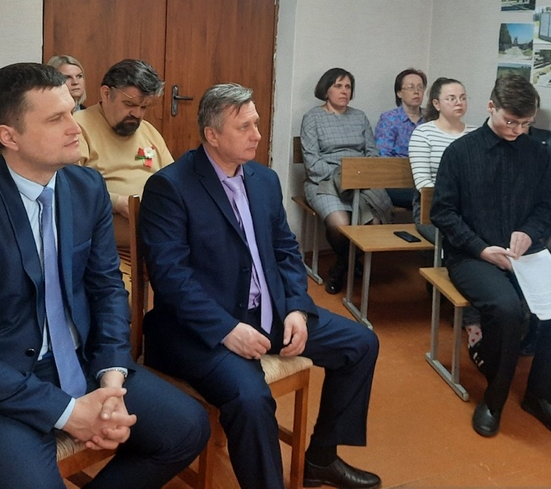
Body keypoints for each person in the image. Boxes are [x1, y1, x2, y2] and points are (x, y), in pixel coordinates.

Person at [0, 63, 209, 489]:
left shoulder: (86, 188)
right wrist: (70, 413)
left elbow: (107, 289)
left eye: (72, 111)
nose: (75, 127)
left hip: (78, 362)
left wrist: (112, 377)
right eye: (56, 119)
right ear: (9, 136)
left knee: (187, 428)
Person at [141, 84, 381, 489]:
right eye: (244, 127)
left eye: (256, 123)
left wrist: (297, 307)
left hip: (268, 313)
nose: (257, 134)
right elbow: (171, 277)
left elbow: (286, 251)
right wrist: (226, 329)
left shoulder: (263, 179)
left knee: (361, 344)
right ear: (212, 134)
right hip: (199, 329)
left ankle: (321, 458)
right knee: (251, 399)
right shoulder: (171, 186)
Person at [431, 74, 551, 441]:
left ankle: (542, 396)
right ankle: (495, 397)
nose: (517, 130)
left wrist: (529, 232)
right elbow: (443, 213)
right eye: (511, 121)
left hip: (524, 253)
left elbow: (547, 209)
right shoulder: (461, 152)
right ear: (491, 107)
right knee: (505, 308)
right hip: (472, 255)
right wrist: (480, 248)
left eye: (525, 123)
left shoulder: (537, 152)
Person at [408, 78, 483, 366]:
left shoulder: (476, 134)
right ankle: (474, 325)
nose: (459, 102)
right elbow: (424, 185)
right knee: (463, 245)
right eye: (451, 98)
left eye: (463, 97)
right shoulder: (424, 133)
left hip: (471, 213)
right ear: (437, 104)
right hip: (433, 212)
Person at [300, 68, 392, 295]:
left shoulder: (359, 117)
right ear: (326, 90)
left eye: (348, 87)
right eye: (338, 86)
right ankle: (349, 263)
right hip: (324, 182)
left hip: (360, 182)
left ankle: (341, 266)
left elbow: (372, 154)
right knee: (339, 223)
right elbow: (312, 161)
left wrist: (357, 176)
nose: (344, 91)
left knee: (374, 224)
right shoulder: (312, 118)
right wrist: (341, 177)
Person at [75, 59, 172, 248]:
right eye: (129, 104)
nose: (137, 114)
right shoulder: (77, 128)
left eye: (144, 107)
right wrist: (117, 202)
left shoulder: (148, 131)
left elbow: (174, 181)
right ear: (106, 93)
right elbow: (70, 189)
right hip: (107, 251)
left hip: (158, 244)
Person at [374, 69, 426, 208]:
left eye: (420, 87)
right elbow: (383, 157)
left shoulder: (431, 119)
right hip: (397, 181)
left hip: (426, 180)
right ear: (399, 93)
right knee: (427, 199)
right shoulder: (389, 119)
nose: (416, 92)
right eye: (410, 87)